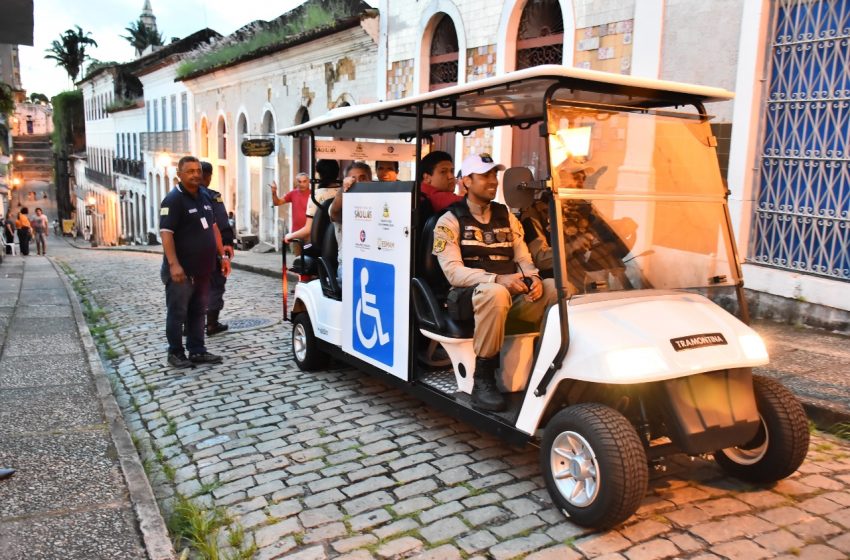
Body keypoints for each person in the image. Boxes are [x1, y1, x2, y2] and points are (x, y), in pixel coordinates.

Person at [433, 154, 557, 412]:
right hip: (469, 298)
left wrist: (532, 278)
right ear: (466, 181)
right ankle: (483, 378)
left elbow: (523, 258)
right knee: (495, 293)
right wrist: (497, 279)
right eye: (485, 176)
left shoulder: (507, 217)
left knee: (555, 288)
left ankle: (548, 366)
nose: (493, 181)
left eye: (494, 175)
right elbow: (453, 273)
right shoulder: (449, 221)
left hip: (510, 294)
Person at [159, 156, 231, 368]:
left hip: (204, 269)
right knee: (178, 312)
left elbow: (214, 227)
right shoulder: (173, 200)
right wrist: (174, 264)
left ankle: (197, 350)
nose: (196, 175)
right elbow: (166, 233)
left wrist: (223, 256)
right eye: (190, 171)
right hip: (182, 271)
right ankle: (175, 353)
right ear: (179, 175)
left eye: (198, 170)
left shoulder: (205, 196)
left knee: (199, 311)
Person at [200, 162, 235, 336]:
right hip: (213, 249)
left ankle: (188, 326)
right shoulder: (213, 197)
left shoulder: (182, 196)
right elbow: (221, 221)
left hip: (190, 251)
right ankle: (211, 324)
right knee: (215, 285)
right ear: (208, 176)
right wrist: (227, 244)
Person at [329, 162, 374, 284]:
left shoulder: (377, 203)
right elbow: (335, 211)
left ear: (371, 180)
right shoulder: (340, 204)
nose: (358, 183)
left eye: (363, 178)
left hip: (375, 265)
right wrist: (343, 191)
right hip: (349, 266)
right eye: (353, 179)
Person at [270, 172, 310, 246]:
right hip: (296, 233)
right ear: (297, 182)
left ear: (309, 182)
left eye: (304, 181)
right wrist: (274, 192)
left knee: (310, 256)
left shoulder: (313, 195)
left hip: (310, 233)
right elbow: (277, 202)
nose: (302, 184)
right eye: (299, 181)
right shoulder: (293, 193)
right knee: (297, 257)